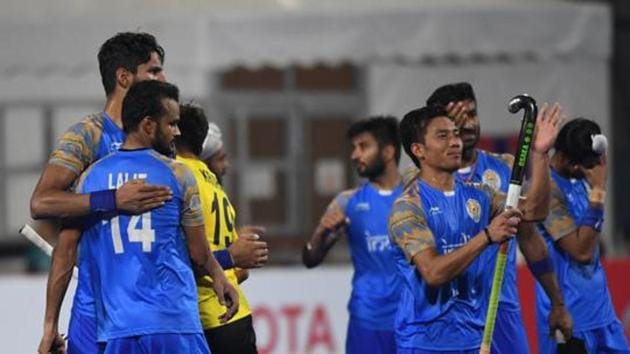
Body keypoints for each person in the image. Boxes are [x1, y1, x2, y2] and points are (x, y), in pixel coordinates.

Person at [45, 80, 239, 354]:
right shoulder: (178, 175)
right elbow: (198, 253)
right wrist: (221, 277)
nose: (177, 131)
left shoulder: (90, 179)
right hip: (173, 321)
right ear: (148, 125)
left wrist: (50, 324)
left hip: (119, 328)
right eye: (171, 124)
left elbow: (65, 249)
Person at [388, 105, 569, 353]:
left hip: (473, 340)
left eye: (455, 134)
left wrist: (540, 154)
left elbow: (535, 210)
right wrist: (486, 236)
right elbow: (433, 273)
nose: (455, 142)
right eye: (443, 136)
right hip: (424, 343)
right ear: (418, 150)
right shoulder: (407, 207)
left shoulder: (480, 195)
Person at [34, 32, 173, 354]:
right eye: (153, 71)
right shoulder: (88, 135)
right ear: (123, 77)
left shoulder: (160, 140)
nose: (162, 78)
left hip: (155, 305)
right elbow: (43, 203)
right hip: (97, 309)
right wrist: (50, 325)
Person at [302, 116, 404, 354]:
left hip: (413, 320)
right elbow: (310, 259)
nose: (354, 155)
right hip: (367, 320)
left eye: (364, 146)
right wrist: (320, 232)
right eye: (354, 148)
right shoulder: (346, 202)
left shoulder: (416, 196)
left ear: (388, 151)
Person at [175, 104, 267, 354]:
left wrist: (229, 257)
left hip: (206, 318)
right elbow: (240, 270)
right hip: (235, 314)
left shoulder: (177, 177)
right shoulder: (213, 181)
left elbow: (178, 258)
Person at [536, 118, 630, 353]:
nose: (592, 170)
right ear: (566, 159)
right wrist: (598, 191)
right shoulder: (545, 191)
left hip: (602, 312)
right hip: (568, 318)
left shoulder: (583, 178)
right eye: (584, 166)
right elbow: (581, 251)